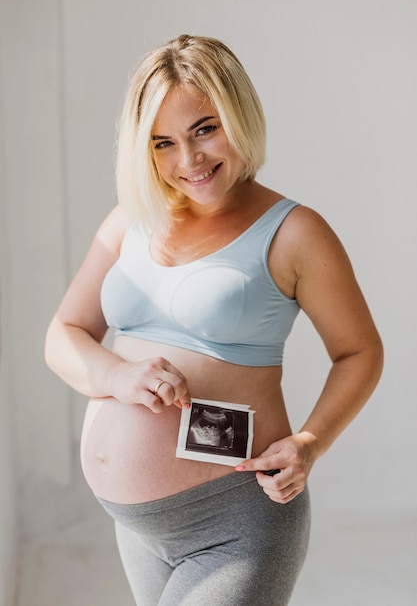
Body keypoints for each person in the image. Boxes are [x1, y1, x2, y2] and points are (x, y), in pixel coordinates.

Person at [44, 34, 383, 605]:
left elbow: (360, 352)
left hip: (235, 521)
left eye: (205, 128)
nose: (189, 160)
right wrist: (116, 377)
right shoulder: (131, 219)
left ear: (239, 115)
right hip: (138, 530)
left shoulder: (296, 233)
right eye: (163, 142)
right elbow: (64, 336)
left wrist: (309, 442)